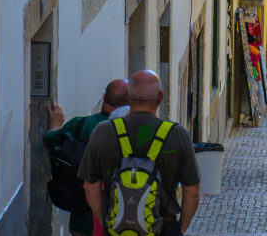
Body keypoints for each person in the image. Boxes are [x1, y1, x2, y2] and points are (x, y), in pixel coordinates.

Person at [79, 70, 201, 236]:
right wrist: (181, 228)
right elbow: (192, 190)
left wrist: (106, 222)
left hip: (116, 228)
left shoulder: (103, 131)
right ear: (160, 97)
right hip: (164, 227)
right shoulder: (178, 135)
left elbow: (90, 187)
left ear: (127, 96)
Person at [43, 79, 129, 236]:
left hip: (82, 220)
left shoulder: (81, 124)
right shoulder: (132, 131)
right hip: (121, 219)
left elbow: (50, 140)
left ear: (104, 98)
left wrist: (55, 125)